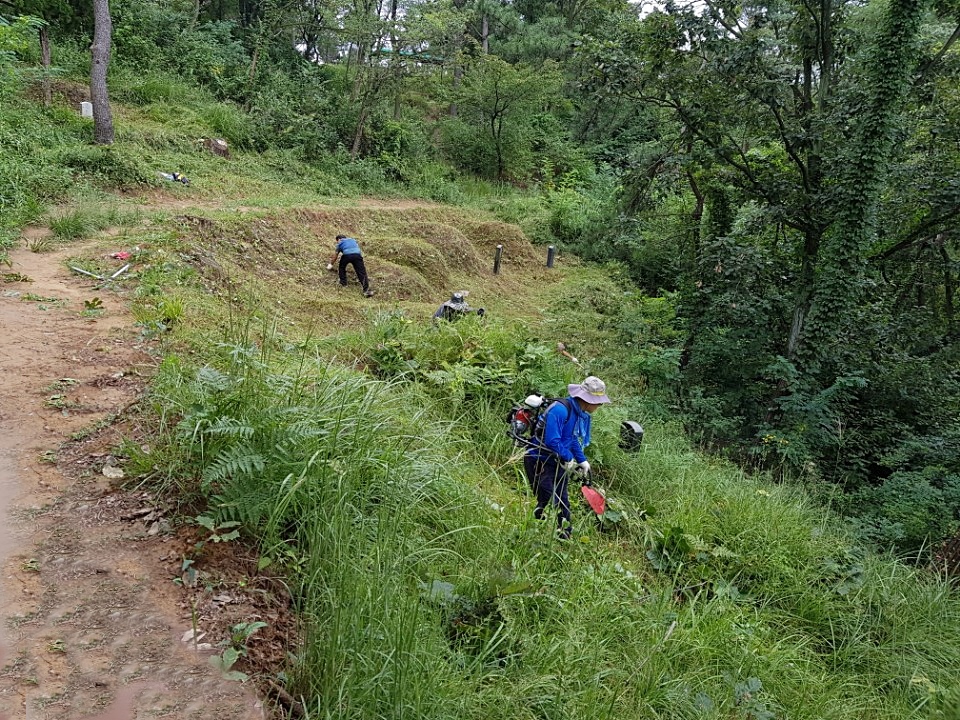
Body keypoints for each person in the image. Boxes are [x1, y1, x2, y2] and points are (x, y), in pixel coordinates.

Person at [523, 376, 611, 538]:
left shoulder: (577, 412)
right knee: (549, 498)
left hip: (556, 462)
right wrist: (569, 458)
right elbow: (552, 440)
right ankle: (536, 529)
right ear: (588, 400)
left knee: (562, 501)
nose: (600, 405)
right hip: (538, 460)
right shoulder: (561, 410)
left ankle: (564, 535)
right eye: (598, 402)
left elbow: (570, 438)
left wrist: (582, 460)